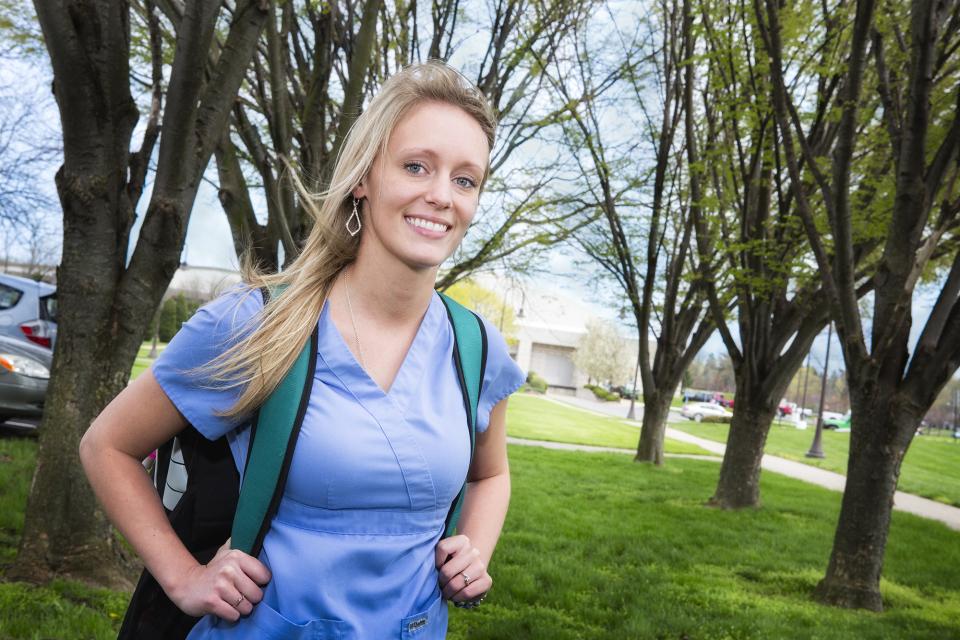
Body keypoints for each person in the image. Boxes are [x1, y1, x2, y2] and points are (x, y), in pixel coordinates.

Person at [79, 61, 525, 639]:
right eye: (417, 166)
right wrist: (184, 577)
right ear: (364, 177)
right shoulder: (260, 323)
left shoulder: (477, 347)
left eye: (466, 180)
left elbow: (490, 477)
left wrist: (475, 552)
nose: (441, 196)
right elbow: (106, 445)